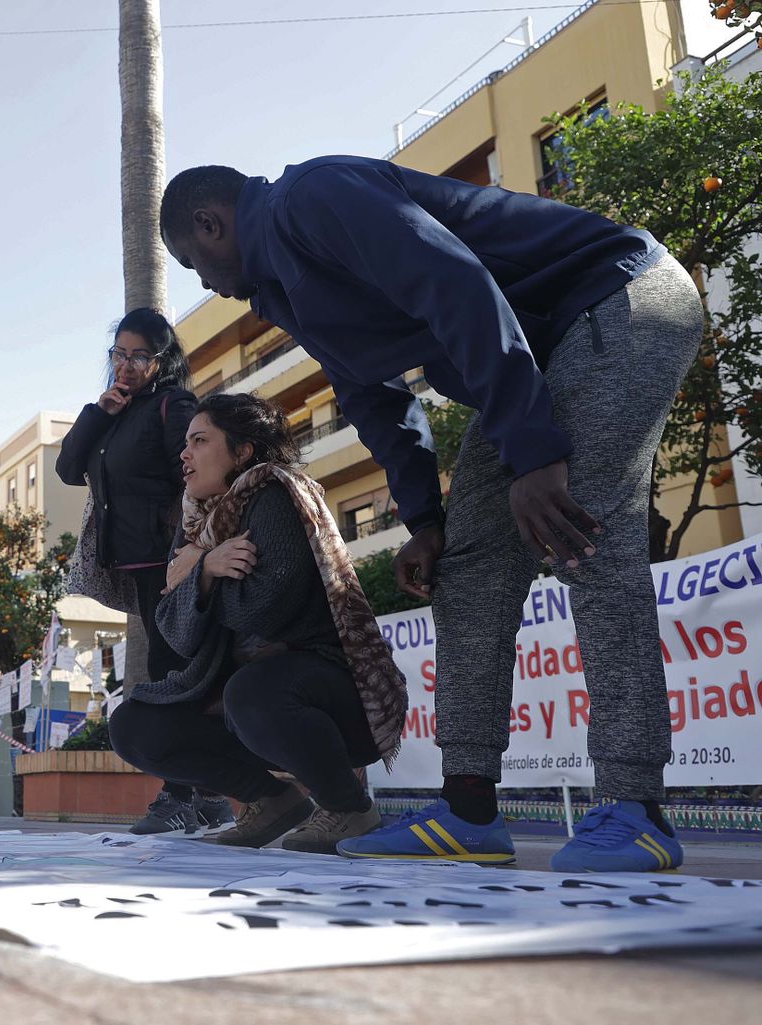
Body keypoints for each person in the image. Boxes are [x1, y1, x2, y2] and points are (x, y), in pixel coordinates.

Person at [160, 157, 704, 872]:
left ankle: (636, 807)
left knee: (583, 535)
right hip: (534, 358)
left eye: (192, 263)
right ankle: (469, 809)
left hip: (614, 298)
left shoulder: (311, 199)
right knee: (467, 568)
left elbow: (457, 284)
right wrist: (424, 519)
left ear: (210, 224)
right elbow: (374, 397)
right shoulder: (286, 289)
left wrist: (533, 451)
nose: (204, 283)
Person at [108, 394, 407, 852]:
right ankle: (270, 802)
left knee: (252, 692)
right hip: (246, 704)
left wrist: (198, 573)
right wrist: (206, 569)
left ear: (243, 450)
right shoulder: (196, 522)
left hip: (334, 700)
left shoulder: (275, 495)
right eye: (185, 443)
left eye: (200, 441)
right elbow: (175, 632)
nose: (184, 454)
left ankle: (348, 807)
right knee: (134, 725)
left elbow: (264, 609)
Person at [55, 309, 233, 838]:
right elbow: (68, 469)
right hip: (140, 565)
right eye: (119, 354)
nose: (127, 365)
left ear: (161, 361)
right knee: (173, 671)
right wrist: (99, 412)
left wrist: (191, 547)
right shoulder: (116, 412)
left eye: (139, 356)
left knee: (171, 673)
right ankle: (208, 797)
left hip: (172, 562)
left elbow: (196, 470)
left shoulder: (173, 405)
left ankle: (184, 796)